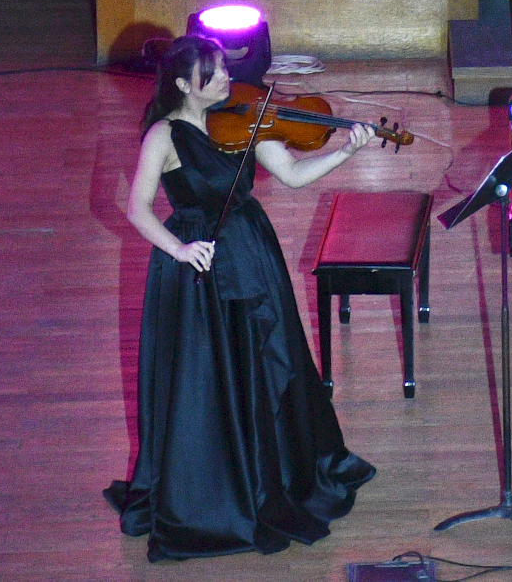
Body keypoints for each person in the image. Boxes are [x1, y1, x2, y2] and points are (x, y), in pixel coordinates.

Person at [106, 34, 378, 560]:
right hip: (197, 266)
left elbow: (296, 176)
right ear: (185, 85)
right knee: (205, 380)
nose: (228, 79)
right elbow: (137, 208)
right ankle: (216, 493)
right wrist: (179, 250)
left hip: (251, 252)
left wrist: (346, 150)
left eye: (224, 70)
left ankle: (277, 474)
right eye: (214, 74)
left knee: (268, 364)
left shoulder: (247, 115)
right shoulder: (163, 135)